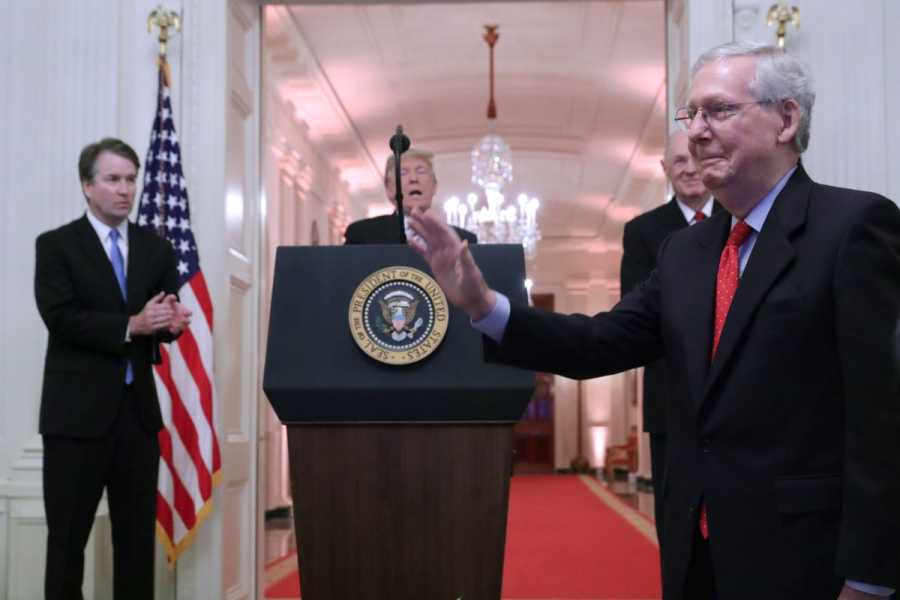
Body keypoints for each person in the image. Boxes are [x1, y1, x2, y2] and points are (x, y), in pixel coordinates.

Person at [408, 43, 900, 600]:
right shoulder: (684, 252)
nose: (697, 132)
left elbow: (882, 419)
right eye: (691, 115)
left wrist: (871, 576)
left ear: (786, 119)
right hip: (697, 552)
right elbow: (597, 342)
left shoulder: (853, 228)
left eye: (719, 110)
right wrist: (482, 305)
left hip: (806, 557)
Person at [35, 137, 191, 599]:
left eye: (130, 179)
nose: (125, 190)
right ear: (87, 185)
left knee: (135, 544)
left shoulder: (156, 248)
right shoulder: (57, 245)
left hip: (137, 418)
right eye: (113, 179)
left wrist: (172, 324)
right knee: (67, 543)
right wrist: (133, 324)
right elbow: (61, 318)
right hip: (74, 419)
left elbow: (162, 316)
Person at [620, 130, 715, 545]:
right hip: (671, 397)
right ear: (665, 170)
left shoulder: (741, 217)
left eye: (696, 157)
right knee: (678, 526)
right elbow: (637, 313)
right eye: (679, 161)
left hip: (740, 396)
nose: (690, 168)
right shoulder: (643, 231)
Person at [344, 148, 476, 245]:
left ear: (434, 187)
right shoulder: (362, 234)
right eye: (403, 173)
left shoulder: (462, 240)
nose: (413, 178)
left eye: (421, 171)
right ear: (389, 189)